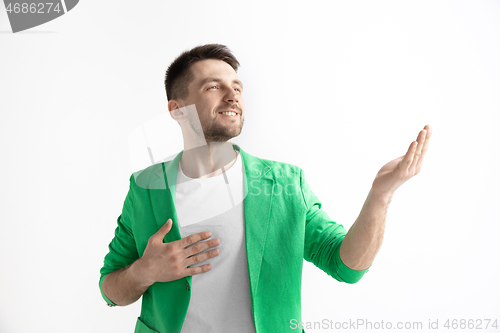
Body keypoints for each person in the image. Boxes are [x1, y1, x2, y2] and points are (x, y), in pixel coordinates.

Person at [99, 43, 432, 333]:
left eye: (237, 88)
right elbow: (110, 289)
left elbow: (346, 266)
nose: (233, 96)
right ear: (178, 109)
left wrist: (381, 195)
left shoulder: (285, 184)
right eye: (214, 86)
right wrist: (144, 271)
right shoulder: (145, 188)